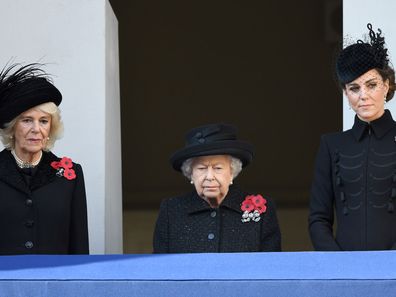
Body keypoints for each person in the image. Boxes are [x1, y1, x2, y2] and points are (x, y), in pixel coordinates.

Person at [309, 23, 396, 251]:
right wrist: (339, 265)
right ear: (345, 93)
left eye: (371, 85)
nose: (363, 96)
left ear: (386, 85)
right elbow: (318, 218)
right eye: (354, 88)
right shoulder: (331, 145)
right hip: (345, 272)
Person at [0, 63, 89, 254]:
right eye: (26, 120)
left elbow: (78, 246)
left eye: (43, 121)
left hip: (53, 282)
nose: (36, 129)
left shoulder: (69, 175)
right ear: (12, 128)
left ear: (51, 128)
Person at [153, 123, 281, 253]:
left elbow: (271, 267)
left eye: (218, 168)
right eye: (201, 168)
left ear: (232, 172)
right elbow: (159, 267)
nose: (209, 176)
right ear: (190, 173)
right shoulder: (171, 210)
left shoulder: (262, 211)